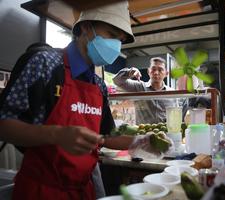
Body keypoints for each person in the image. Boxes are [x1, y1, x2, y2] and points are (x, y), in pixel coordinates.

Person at [0, 2, 168, 200]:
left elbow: (106, 135)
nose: (116, 45)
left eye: (120, 40)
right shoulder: (44, 64)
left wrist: (141, 142)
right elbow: (4, 123)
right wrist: (56, 134)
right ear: (86, 27)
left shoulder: (98, 85)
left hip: (82, 191)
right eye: (112, 35)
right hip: (42, 190)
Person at [113, 57, 176, 124]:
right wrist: (129, 72)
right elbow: (117, 80)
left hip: (165, 133)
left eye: (160, 70)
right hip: (143, 133)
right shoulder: (139, 87)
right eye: (153, 69)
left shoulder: (171, 93)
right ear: (148, 71)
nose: (156, 72)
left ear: (166, 73)